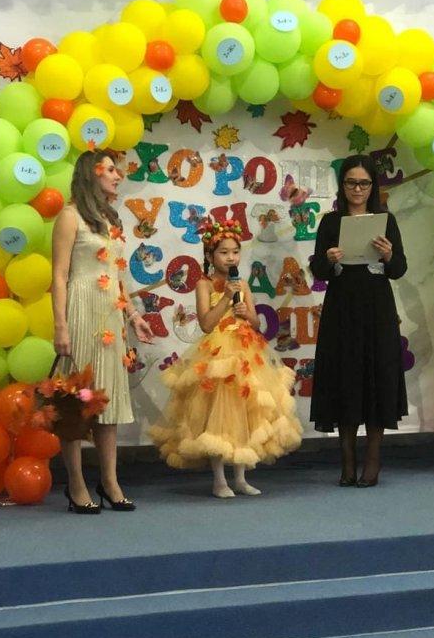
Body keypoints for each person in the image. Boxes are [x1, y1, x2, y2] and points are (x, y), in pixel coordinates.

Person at [150, 218, 303, 498]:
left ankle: (241, 477)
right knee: (216, 416)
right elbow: (206, 324)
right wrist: (225, 299)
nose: (230, 257)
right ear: (210, 256)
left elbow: (256, 322)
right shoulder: (204, 284)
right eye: (223, 252)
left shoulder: (242, 283)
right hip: (218, 354)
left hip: (245, 352)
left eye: (235, 251)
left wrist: (248, 314)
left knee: (243, 413)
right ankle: (219, 479)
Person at [52, 149, 153, 514]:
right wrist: (61, 325)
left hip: (110, 316)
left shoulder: (110, 220)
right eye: (110, 169)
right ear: (91, 174)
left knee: (106, 401)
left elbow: (117, 274)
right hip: (81, 311)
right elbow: (59, 275)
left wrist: (134, 316)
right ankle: (76, 484)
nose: (117, 175)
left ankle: (110, 482)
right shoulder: (69, 216)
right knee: (78, 403)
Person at [309, 154, 408, 488]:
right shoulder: (330, 222)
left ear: (372, 186)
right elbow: (318, 271)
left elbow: (399, 269)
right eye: (351, 182)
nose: (357, 189)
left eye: (364, 183)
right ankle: (347, 461)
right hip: (342, 308)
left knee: (377, 377)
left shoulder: (385, 220)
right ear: (343, 185)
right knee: (345, 378)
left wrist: (389, 254)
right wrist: (328, 259)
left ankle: (373, 461)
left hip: (377, 309)